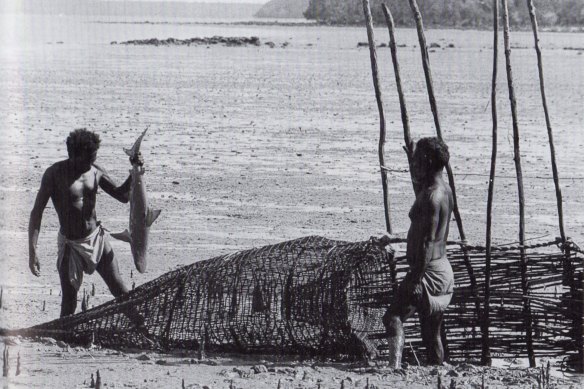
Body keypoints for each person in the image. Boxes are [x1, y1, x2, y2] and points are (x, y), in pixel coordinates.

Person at [28, 128, 142, 318]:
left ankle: (143, 328)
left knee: (120, 289)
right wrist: (32, 251)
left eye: (93, 158)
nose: (90, 163)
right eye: (86, 159)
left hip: (96, 238)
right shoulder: (54, 174)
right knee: (69, 301)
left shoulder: (95, 170)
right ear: (72, 155)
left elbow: (123, 196)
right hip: (71, 244)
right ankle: (64, 337)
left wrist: (135, 171)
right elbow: (36, 213)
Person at [383, 137, 454, 367]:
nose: (415, 164)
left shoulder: (431, 197)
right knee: (431, 331)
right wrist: (413, 155)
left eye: (419, 159)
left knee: (393, 317)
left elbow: (426, 241)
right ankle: (437, 373)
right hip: (442, 269)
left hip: (428, 271)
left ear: (429, 160)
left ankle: (393, 368)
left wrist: (415, 278)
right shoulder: (443, 190)